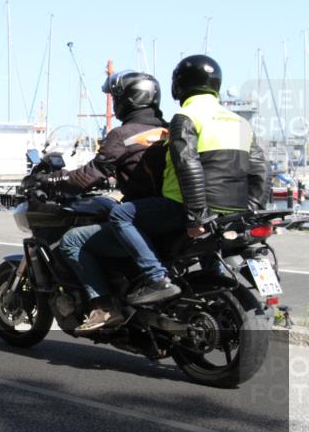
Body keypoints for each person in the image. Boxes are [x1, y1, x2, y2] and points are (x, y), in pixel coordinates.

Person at [109, 55, 270, 305]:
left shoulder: (185, 117)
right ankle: (215, 292)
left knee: (121, 215)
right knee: (207, 248)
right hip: (233, 210)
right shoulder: (239, 122)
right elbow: (260, 170)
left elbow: (188, 165)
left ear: (178, 86)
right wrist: (253, 209)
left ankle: (156, 278)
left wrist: (197, 216)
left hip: (185, 206)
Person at [36, 71, 167, 333]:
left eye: (116, 97)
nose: (115, 103)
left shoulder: (123, 134)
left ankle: (104, 306)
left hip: (143, 215)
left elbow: (88, 175)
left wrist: (52, 180)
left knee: (73, 240)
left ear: (129, 100)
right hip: (169, 212)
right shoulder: (166, 129)